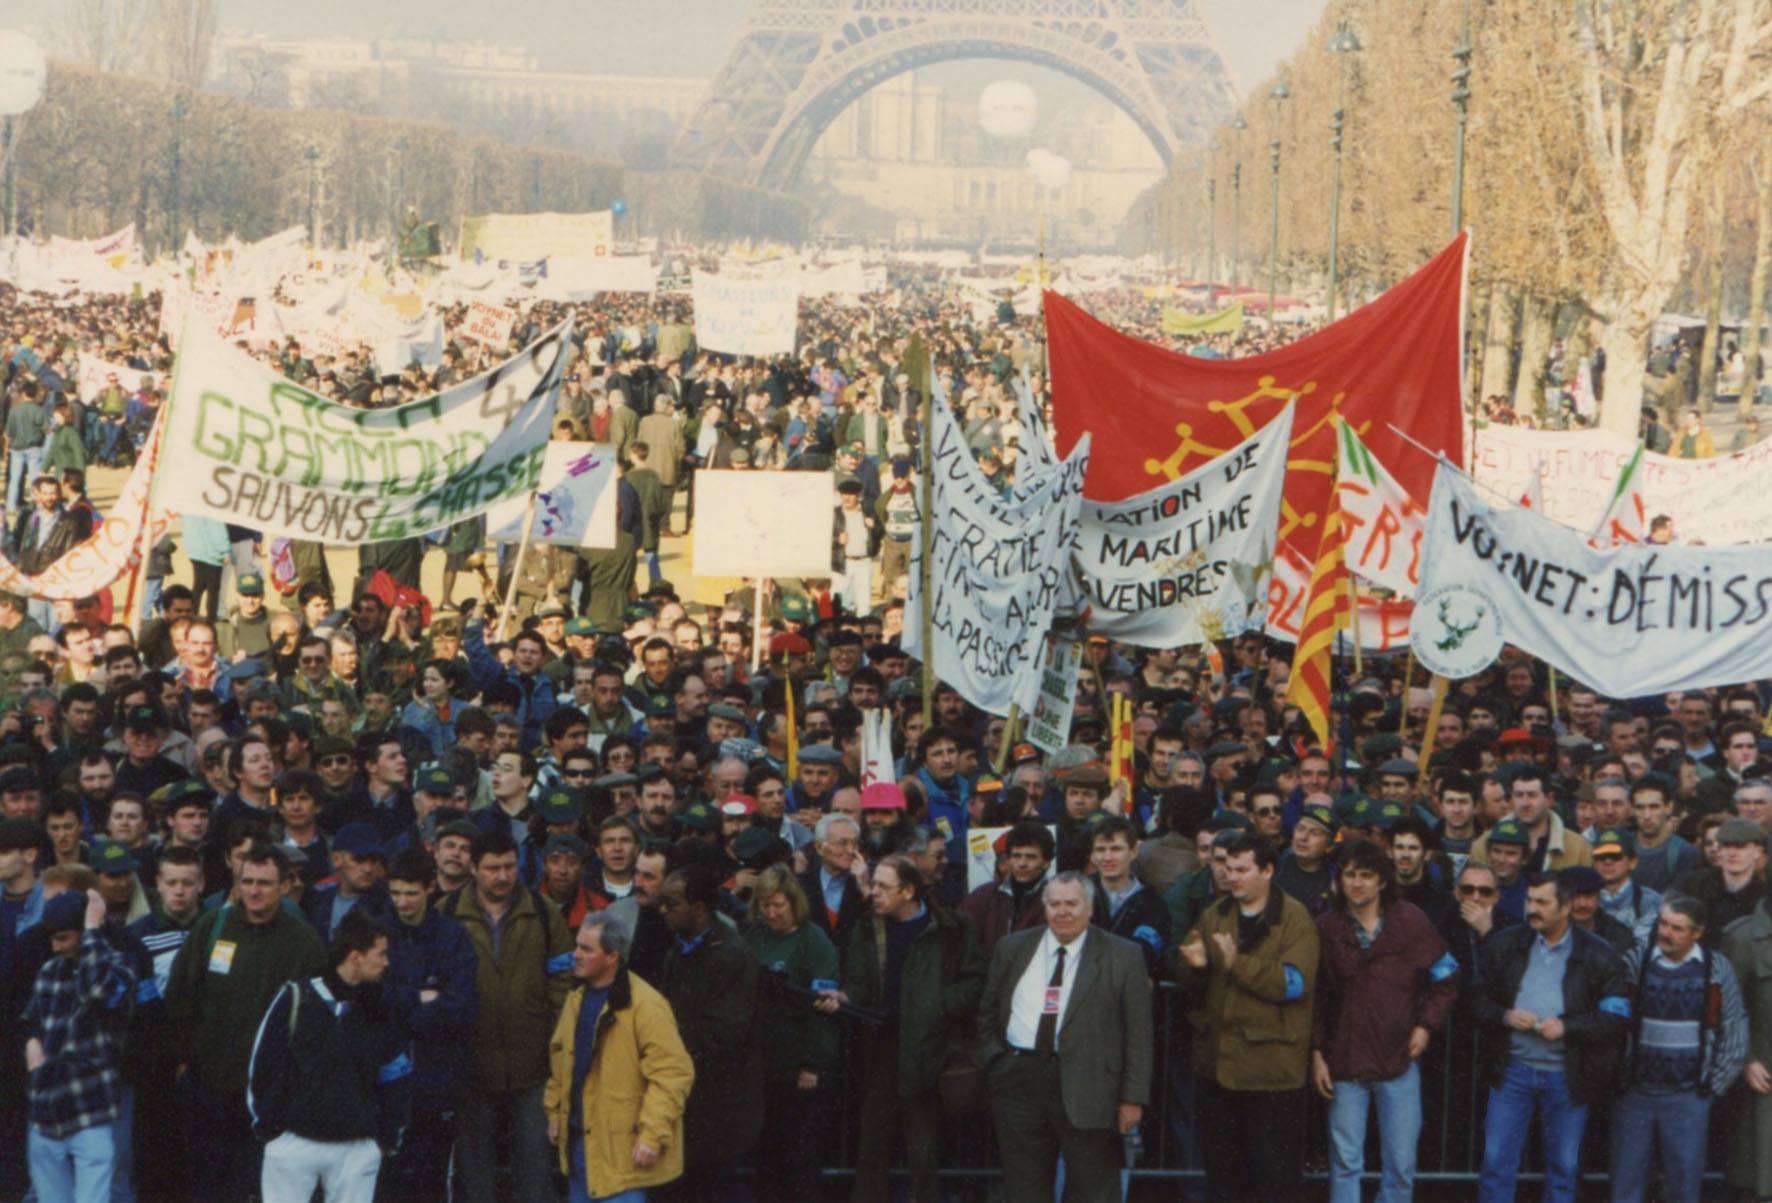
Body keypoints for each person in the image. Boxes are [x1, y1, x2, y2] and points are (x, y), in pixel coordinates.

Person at [163, 842, 328, 1202]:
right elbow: (179, 995)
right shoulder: (213, 925)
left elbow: (317, 1023)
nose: (254, 891)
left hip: (271, 1095)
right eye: (247, 881)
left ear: (285, 886)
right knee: (207, 1183)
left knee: (257, 1186)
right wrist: (182, 1058)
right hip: (209, 1084)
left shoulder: (303, 941)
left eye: (265, 883)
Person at [975, 871, 1153, 1203]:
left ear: (1089, 907)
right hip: (1018, 1081)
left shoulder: (1123, 955)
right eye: (1054, 903)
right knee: (1024, 1187)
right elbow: (987, 1012)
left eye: (1071, 903)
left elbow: (1139, 1033)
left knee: (1092, 1187)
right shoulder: (1012, 947)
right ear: (1044, 907)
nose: (1062, 911)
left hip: (1091, 1084)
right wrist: (996, 1060)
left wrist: (1132, 1098)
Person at [826, 853, 985, 1203]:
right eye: (873, 884)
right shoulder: (868, 928)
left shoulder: (951, 929)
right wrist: (844, 996)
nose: (873, 893)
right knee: (873, 1143)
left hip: (931, 1050)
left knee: (923, 1148)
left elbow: (975, 983)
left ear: (909, 890)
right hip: (881, 1047)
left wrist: (937, 1007)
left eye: (883, 886)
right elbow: (859, 983)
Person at [1311, 839, 1460, 1203]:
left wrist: (1426, 1025)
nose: (1356, 883)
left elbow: (1447, 977)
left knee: (1401, 1165)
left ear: (1381, 881)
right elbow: (1315, 997)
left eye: (1366, 875)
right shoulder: (1325, 927)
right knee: (1345, 1164)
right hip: (1344, 1063)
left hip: (1399, 1063)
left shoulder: (1410, 920)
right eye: (1349, 875)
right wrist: (1316, 1052)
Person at [1174, 830, 1318, 1203]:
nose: (1231, 876)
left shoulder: (1295, 918)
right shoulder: (1215, 914)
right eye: (1226, 867)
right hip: (1218, 1069)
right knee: (1223, 1177)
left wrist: (1238, 964)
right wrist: (1196, 966)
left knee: (1274, 1179)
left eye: (1242, 869)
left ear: (1267, 870)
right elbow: (1187, 969)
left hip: (1271, 1073)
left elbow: (1293, 984)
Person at [1472, 872, 1630, 1203]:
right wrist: (1505, 1016)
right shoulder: (1506, 944)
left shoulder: (1601, 955)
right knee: (1496, 1162)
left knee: (1564, 1166)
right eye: (1530, 900)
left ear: (1566, 907)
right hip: (1512, 1072)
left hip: (1566, 1077)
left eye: (1542, 902)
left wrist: (1567, 1027)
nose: (1532, 909)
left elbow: (1616, 1018)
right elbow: (1475, 999)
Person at [436, 827, 574, 1203]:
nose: (502, 876)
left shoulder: (543, 913)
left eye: (509, 867)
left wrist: (554, 1045)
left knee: (536, 1176)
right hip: (471, 1072)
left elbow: (563, 982)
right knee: (475, 1179)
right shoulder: (446, 915)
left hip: (533, 1071)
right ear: (474, 868)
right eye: (493, 867)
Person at [246, 908, 413, 1203]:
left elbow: (395, 1074)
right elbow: (264, 1066)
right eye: (381, 954)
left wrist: (385, 1138)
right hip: (294, 1143)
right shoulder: (294, 998)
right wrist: (271, 1130)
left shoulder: (382, 1009)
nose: (387, 962)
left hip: (356, 1148)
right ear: (355, 956)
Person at [545, 911, 695, 1203]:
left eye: (586, 949)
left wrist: (652, 1135)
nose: (575, 955)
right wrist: (555, 1114)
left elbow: (673, 1074)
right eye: (577, 945)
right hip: (579, 1147)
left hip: (624, 1154)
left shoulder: (647, 1006)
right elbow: (560, 1060)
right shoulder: (576, 999)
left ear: (612, 956)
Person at [1613, 895, 1747, 1203]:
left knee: (1684, 1183)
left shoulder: (1716, 968)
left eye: (1677, 928)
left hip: (1688, 1096)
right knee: (1626, 1181)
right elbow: (1614, 1020)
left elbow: (1735, 1028)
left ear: (1697, 932)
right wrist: (1620, 1075)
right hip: (1636, 1093)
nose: (1666, 933)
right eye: (1663, 923)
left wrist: (1712, 1086)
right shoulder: (1637, 961)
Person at [656, 863, 763, 1201]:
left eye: (671, 904)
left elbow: (724, 1031)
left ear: (699, 908)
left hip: (719, 1103)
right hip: (689, 1097)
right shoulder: (678, 951)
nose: (663, 912)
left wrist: (665, 1047)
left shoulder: (732, 955)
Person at [378, 848, 480, 1203]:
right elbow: (372, 1002)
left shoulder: (452, 937)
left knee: (432, 1183)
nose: (402, 903)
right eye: (395, 893)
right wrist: (419, 998)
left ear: (430, 888)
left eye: (411, 893)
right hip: (386, 1083)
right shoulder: (377, 932)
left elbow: (461, 1008)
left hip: (437, 1082)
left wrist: (403, 1006)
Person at [22, 890, 136, 1203]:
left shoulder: (120, 966)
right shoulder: (50, 970)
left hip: (92, 1103)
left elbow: (98, 990)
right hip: (46, 1102)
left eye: (63, 938)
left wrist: (93, 929)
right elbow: (31, 1020)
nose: (55, 947)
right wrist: (32, 1046)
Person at [742, 865, 840, 1203]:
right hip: (761, 1065)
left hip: (798, 1067)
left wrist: (813, 1064)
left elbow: (823, 1008)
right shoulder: (754, 935)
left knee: (800, 1157)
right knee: (765, 1157)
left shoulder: (814, 941)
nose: (771, 913)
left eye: (778, 906)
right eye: (765, 905)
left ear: (793, 903)